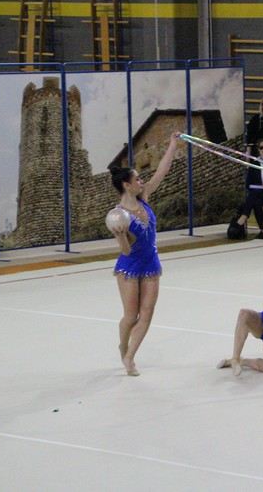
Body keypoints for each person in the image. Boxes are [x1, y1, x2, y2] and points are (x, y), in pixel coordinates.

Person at [108, 132, 180, 376]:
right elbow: (126, 250)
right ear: (126, 185)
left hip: (151, 263)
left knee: (147, 314)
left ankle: (130, 358)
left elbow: (162, 170)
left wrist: (172, 144)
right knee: (131, 315)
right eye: (137, 179)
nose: (142, 181)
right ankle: (123, 344)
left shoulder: (145, 196)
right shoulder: (118, 215)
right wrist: (119, 236)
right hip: (129, 266)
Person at [228, 137, 263, 240]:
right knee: (256, 199)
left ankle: (244, 216)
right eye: (261, 147)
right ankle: (262, 230)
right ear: (258, 149)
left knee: (253, 197)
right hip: (259, 194)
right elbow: (248, 184)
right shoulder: (253, 165)